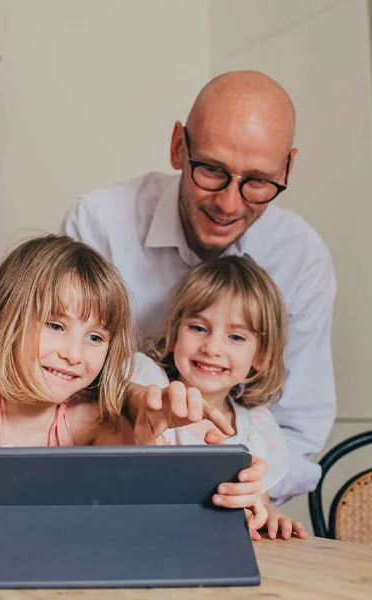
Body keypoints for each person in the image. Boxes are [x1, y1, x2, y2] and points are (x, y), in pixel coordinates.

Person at [0, 235, 266, 569]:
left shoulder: (92, 415)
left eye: (94, 337)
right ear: (4, 315)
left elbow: (141, 514)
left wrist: (228, 499)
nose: (74, 354)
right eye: (55, 326)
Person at [62, 71, 336, 504]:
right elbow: (56, 383)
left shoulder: (301, 258)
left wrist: (249, 490)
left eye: (259, 182)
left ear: (287, 169)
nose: (229, 204)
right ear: (178, 147)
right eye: (211, 170)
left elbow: (298, 428)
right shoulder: (100, 224)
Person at [134, 255, 307, 539]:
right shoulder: (147, 380)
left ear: (261, 356)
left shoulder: (258, 427)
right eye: (198, 328)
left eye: (236, 337)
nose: (212, 348)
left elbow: (256, 503)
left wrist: (267, 515)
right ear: (173, 331)